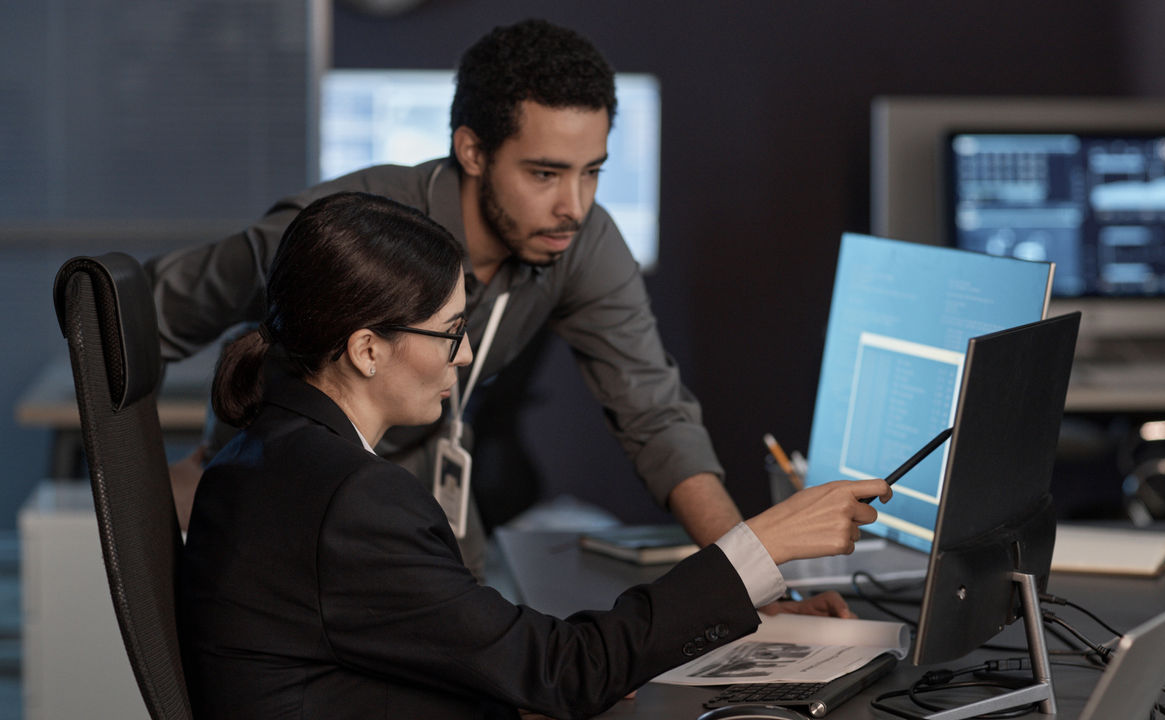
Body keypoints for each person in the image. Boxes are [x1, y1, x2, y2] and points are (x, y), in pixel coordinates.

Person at [179, 191, 892, 719]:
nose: (460, 359)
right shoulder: (351, 499)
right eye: (448, 332)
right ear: (367, 348)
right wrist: (762, 546)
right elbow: (565, 673)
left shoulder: (264, 455)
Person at [147, 18, 770, 580]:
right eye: (544, 174)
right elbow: (138, 314)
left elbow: (655, 416)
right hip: (285, 489)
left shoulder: (580, 241)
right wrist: (139, 487)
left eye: (593, 172)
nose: (574, 207)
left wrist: (757, 586)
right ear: (473, 151)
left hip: (419, 479)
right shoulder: (341, 231)